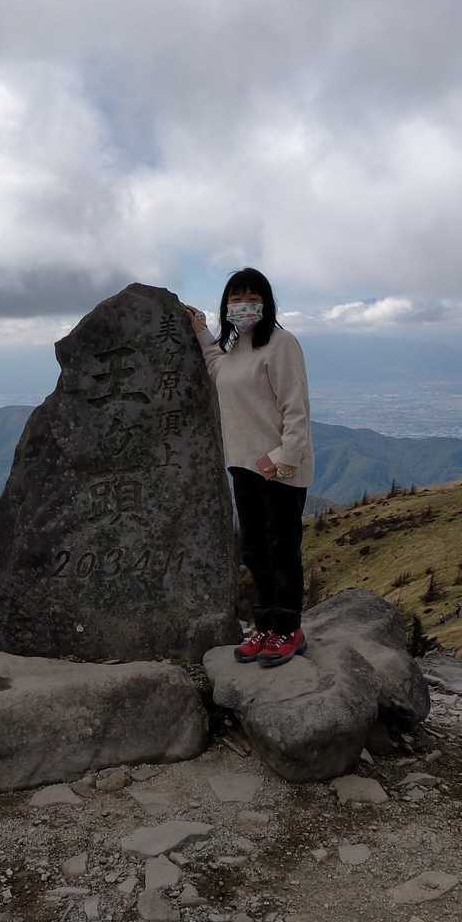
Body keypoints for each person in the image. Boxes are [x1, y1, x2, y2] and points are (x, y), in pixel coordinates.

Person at [187, 267, 314, 668]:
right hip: (243, 466)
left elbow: (296, 409)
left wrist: (283, 460)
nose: (243, 304)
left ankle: (288, 630)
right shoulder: (234, 348)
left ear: (266, 303)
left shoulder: (281, 344)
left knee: (282, 550)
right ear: (226, 305)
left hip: (279, 468)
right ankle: (264, 626)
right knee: (256, 551)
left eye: (251, 297)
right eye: (236, 297)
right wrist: (200, 330)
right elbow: (216, 367)